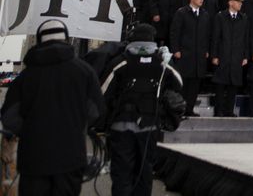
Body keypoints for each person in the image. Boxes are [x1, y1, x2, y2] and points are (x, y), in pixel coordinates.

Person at [1, 20, 105, 195]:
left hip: (33, 158)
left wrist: (29, 131)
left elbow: (10, 117)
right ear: (65, 39)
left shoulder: (25, 77)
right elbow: (96, 112)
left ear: (40, 40)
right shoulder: (84, 72)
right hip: (70, 157)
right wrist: (76, 126)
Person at [102, 23, 183, 196]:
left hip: (121, 124)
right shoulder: (161, 63)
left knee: (122, 172)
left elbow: (103, 91)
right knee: (145, 170)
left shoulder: (121, 61)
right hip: (149, 125)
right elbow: (178, 82)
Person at [170, 0, 211, 117]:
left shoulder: (205, 14)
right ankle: (179, 109)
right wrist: (175, 49)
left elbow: (207, 35)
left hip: (198, 55)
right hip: (185, 54)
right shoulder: (182, 13)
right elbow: (175, 33)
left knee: (195, 83)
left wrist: (206, 50)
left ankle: (189, 109)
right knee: (183, 83)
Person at [211, 0, 249, 117]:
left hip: (237, 56)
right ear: (230, 2)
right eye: (238, 1)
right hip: (223, 54)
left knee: (233, 85)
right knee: (220, 85)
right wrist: (214, 55)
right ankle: (218, 111)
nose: (240, 4)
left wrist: (245, 55)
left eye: (241, 2)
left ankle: (229, 110)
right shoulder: (221, 16)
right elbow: (215, 37)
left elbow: (246, 38)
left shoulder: (243, 18)